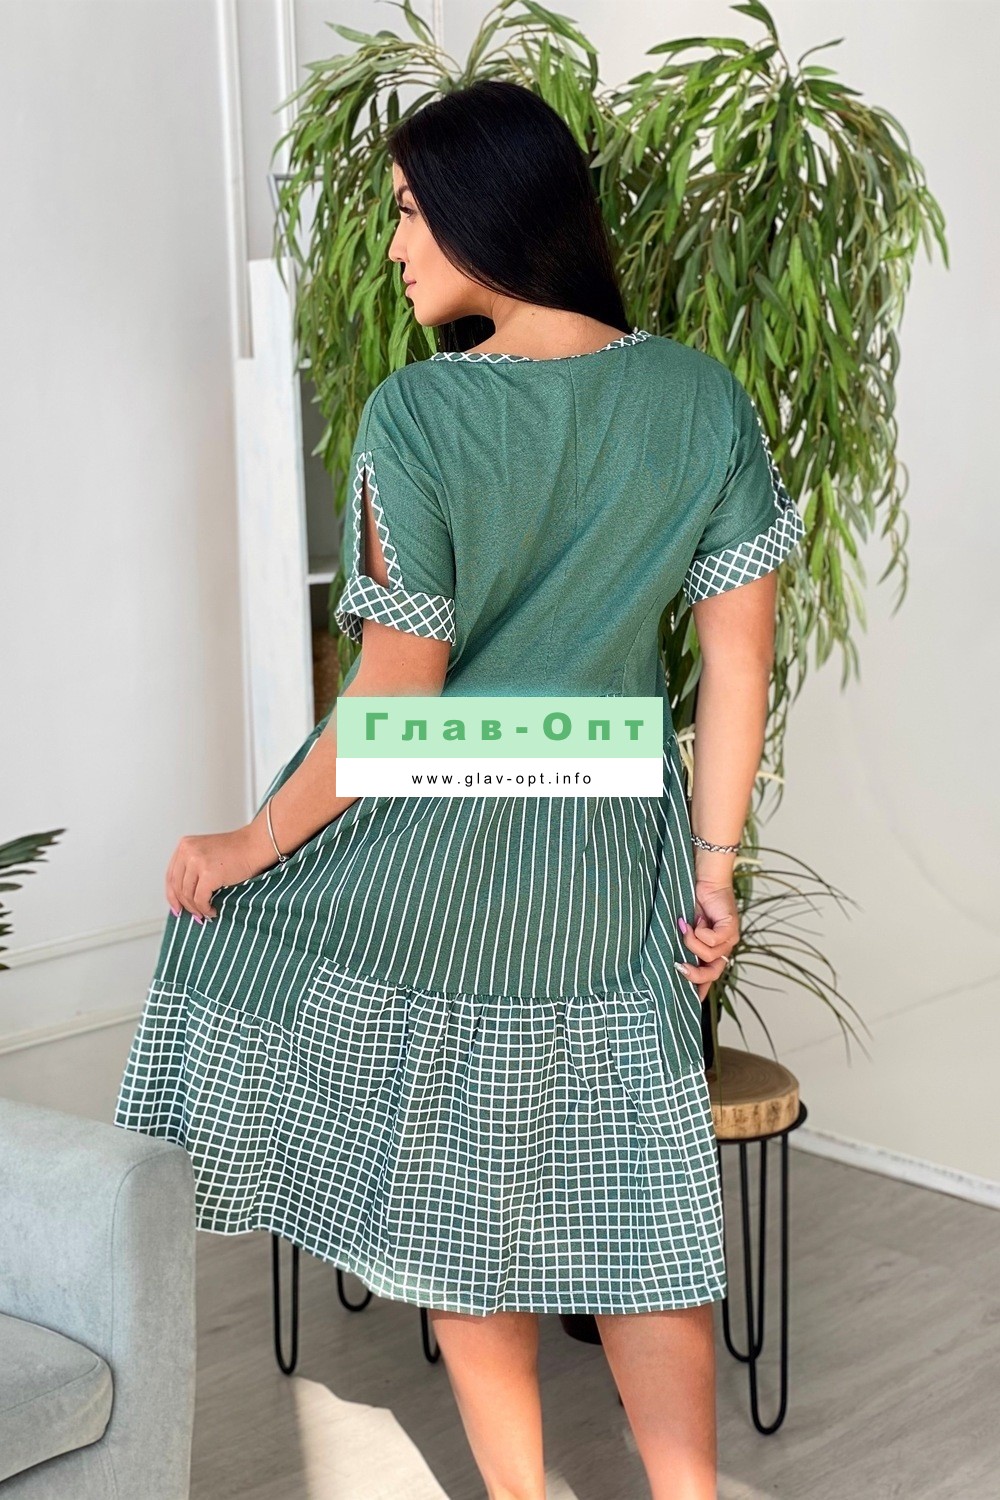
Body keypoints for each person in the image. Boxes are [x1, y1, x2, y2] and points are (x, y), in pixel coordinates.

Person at [115, 78, 805, 1500]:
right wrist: (714, 871)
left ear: (490, 210)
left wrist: (248, 843)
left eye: (410, 213)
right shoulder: (700, 396)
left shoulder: (420, 414)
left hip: (444, 849)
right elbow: (740, 661)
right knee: (637, 1196)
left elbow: (398, 699)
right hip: (615, 848)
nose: (393, 247)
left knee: (458, 1193)